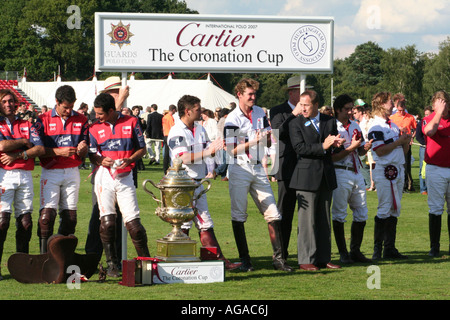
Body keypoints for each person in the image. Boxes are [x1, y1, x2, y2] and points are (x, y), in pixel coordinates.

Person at [224, 78, 292, 272]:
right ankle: (245, 260)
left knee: (273, 213)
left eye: (254, 94)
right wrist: (253, 142)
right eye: (250, 94)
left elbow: (268, 141)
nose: (253, 97)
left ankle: (279, 259)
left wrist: (269, 137)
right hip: (239, 168)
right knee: (239, 215)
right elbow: (230, 150)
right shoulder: (233, 118)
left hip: (257, 167)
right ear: (240, 95)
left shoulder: (260, 112)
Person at [167, 95, 241, 271]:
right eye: (198, 109)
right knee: (190, 222)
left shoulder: (199, 128)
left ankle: (193, 260)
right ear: (188, 111)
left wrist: (218, 147)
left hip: (196, 183)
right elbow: (182, 157)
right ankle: (213, 261)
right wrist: (209, 152)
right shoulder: (177, 131)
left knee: (195, 222)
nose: (201, 112)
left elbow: (209, 148)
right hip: (183, 184)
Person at [88, 93, 150, 277]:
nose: (97, 116)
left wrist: (130, 159)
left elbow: (142, 148)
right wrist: (100, 160)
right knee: (107, 223)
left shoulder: (131, 121)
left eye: (100, 114)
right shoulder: (94, 127)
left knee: (134, 225)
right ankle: (112, 266)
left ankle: (146, 266)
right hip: (104, 177)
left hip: (125, 177)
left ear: (110, 110)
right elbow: (92, 154)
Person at [288, 89, 345, 271]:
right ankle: (306, 258)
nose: (302, 108)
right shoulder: (295, 123)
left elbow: (331, 149)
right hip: (306, 177)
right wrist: (323, 146)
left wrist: (336, 145)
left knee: (324, 220)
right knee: (307, 222)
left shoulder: (329, 121)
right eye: (301, 105)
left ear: (316, 105)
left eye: (306, 105)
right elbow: (299, 148)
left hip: (326, 176)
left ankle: (323, 258)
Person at [33, 85, 89, 254]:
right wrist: (57, 151)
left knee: (71, 218)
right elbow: (36, 148)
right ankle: (44, 257)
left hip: (72, 170)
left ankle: (59, 253)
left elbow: (87, 143)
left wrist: (83, 147)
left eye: (71, 107)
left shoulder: (82, 119)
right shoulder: (42, 119)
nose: (68, 110)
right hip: (50, 171)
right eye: (65, 107)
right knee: (47, 217)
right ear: (56, 102)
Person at [0, 89, 45, 280]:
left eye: (11, 101)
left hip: (26, 175)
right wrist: (25, 142)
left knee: (25, 223)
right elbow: (1, 147)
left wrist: (20, 153)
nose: (9, 104)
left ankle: (22, 268)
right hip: (4, 175)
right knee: (2, 223)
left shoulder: (27, 123)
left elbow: (40, 148)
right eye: (4, 101)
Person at [368, 92, 411, 260]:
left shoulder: (392, 125)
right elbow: (380, 150)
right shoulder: (376, 127)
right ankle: (377, 250)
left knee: (395, 208)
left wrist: (405, 141)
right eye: (389, 102)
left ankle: (390, 248)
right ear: (380, 105)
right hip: (385, 170)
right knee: (385, 207)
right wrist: (399, 142)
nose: (393, 105)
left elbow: (403, 151)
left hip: (398, 170)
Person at [331, 94, 373, 264]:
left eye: (352, 108)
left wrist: (364, 148)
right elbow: (333, 157)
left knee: (362, 212)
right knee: (340, 213)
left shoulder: (355, 124)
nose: (350, 111)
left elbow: (360, 151)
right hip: (340, 171)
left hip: (356, 171)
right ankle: (343, 253)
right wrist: (353, 148)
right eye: (347, 108)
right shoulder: (333, 126)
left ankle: (355, 250)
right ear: (338, 109)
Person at [269, 75, 302, 260]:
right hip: (287, 166)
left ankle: (306, 253)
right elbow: (277, 132)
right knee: (285, 212)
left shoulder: (308, 111)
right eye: (300, 90)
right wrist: (294, 114)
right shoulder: (278, 110)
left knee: (306, 214)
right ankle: (282, 252)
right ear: (291, 92)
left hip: (305, 166)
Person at [422, 91, 450, 257]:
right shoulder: (430, 118)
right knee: (436, 208)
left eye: (446, 102)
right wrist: (438, 113)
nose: (444, 105)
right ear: (434, 105)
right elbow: (430, 131)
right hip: (436, 169)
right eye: (440, 103)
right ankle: (435, 247)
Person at [389, 99, 416, 192]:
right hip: (396, 143)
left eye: (402, 110)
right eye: (399, 110)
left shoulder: (410, 117)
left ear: (405, 108)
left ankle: (407, 185)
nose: (401, 112)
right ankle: (398, 183)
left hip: (406, 143)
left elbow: (415, 128)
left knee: (406, 164)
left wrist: (412, 137)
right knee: (396, 162)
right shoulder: (392, 117)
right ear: (396, 108)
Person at [416, 106, 432, 195]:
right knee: (422, 169)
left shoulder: (435, 122)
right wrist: (425, 143)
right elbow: (418, 136)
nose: (426, 116)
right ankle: (423, 189)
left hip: (433, 148)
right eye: (425, 114)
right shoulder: (421, 123)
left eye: (428, 114)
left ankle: (431, 188)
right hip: (424, 147)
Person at [201, 109, 218, 178]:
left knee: (211, 158)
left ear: (206, 114)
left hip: (212, 141)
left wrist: (214, 140)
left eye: (202, 114)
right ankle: (209, 172)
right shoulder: (205, 122)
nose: (201, 116)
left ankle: (211, 173)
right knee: (207, 158)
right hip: (206, 141)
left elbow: (216, 131)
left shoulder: (212, 121)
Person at [162, 104, 177, 173]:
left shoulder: (165, 116)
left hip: (165, 135)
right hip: (169, 135)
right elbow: (172, 127)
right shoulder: (170, 117)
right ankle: (168, 167)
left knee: (166, 153)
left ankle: (165, 168)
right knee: (170, 153)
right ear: (173, 110)